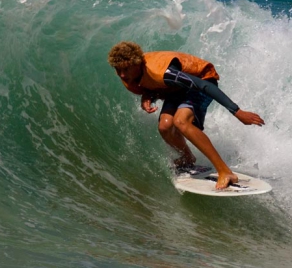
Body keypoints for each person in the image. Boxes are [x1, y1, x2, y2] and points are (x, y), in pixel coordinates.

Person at [108, 41, 264, 190]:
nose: (121, 74)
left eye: (126, 69)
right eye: (117, 69)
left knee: (181, 122)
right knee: (165, 125)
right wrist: (147, 96)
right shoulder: (129, 75)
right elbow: (151, 85)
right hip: (175, 89)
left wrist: (237, 111)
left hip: (202, 82)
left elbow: (203, 85)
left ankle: (225, 172)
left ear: (137, 64)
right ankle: (188, 158)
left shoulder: (167, 73)